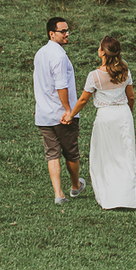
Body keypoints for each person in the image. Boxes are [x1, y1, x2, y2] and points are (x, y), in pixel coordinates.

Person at [65, 36, 136, 209]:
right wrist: (128, 114)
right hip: (123, 115)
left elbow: (83, 100)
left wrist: (70, 115)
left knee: (105, 156)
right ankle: (127, 198)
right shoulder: (125, 72)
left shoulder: (95, 76)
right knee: (125, 156)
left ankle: (109, 198)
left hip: (105, 117)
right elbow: (131, 97)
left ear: (102, 52)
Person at [33, 17, 86, 205]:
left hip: (43, 113)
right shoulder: (60, 56)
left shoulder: (40, 53)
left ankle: (58, 194)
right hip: (61, 114)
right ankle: (74, 186)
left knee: (52, 153)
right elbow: (61, 85)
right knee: (71, 152)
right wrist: (68, 110)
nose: (67, 34)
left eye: (67, 30)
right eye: (63, 31)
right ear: (51, 33)